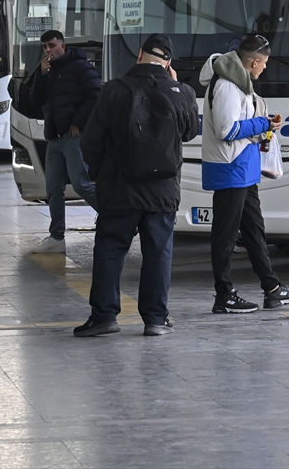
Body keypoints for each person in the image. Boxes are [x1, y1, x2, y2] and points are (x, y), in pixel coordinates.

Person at [77, 35, 200, 337]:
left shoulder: (114, 90)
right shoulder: (182, 92)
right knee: (158, 253)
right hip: (163, 191)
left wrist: (102, 175)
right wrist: (177, 87)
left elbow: (90, 141)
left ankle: (104, 317)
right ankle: (156, 319)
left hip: (119, 189)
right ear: (168, 63)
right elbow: (190, 132)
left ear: (140, 54)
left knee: (110, 250)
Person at [201, 34, 289, 313]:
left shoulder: (240, 84)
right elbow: (227, 130)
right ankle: (223, 295)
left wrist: (264, 126)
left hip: (244, 168)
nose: (266, 67)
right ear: (254, 62)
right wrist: (263, 123)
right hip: (230, 167)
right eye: (265, 62)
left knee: (255, 232)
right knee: (225, 236)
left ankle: (272, 288)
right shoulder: (227, 87)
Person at [27, 30, 100, 254]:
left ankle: (116, 216)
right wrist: (41, 75)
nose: (48, 50)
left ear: (63, 46)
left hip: (73, 136)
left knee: (81, 184)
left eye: (52, 45)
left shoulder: (80, 67)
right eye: (44, 47)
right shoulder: (47, 70)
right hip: (54, 136)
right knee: (53, 189)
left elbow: (95, 94)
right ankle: (56, 237)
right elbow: (35, 100)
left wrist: (77, 122)